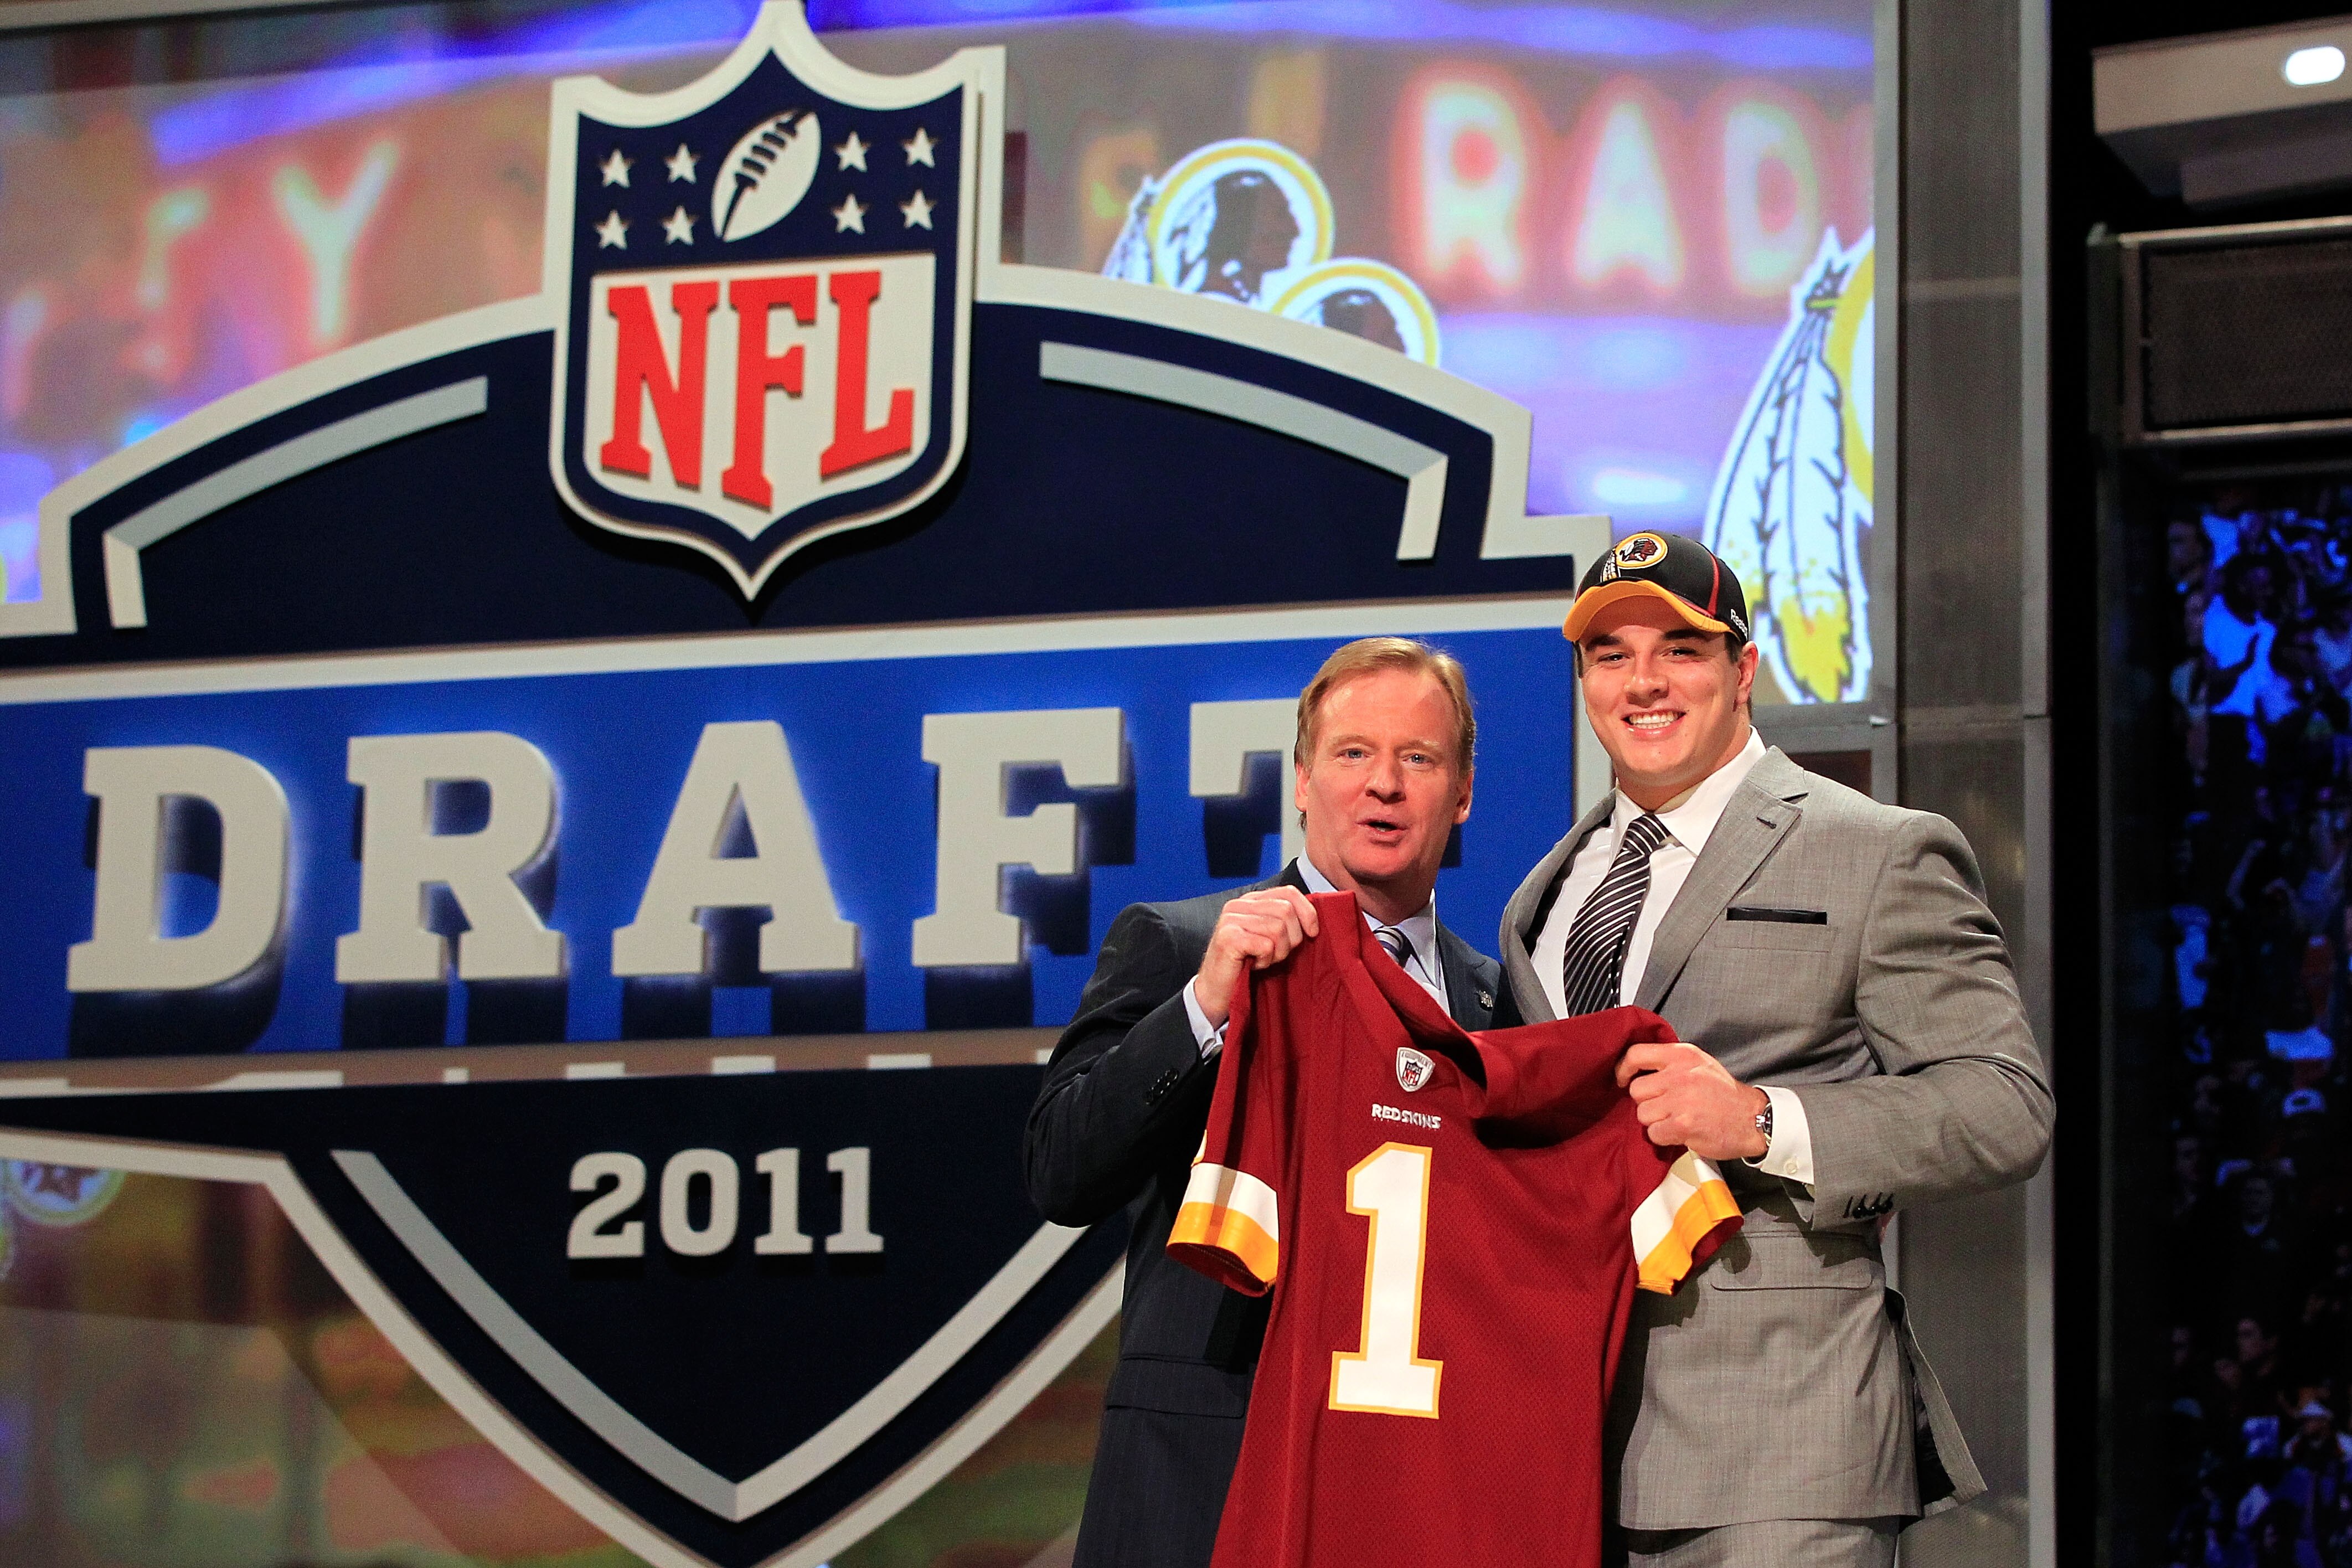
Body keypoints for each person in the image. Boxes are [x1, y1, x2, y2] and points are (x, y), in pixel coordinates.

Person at [1495, 531, 2053, 1566]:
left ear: (1743, 670)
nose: (1644, 681)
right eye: (1609, 654)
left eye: (1681, 647)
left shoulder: (1877, 848)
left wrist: (1760, 1121)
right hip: (1575, 1441)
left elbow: (2004, 1105)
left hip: (1787, 1444)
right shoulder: (1543, 894)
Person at [1024, 637, 1506, 1568]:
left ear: (1463, 793)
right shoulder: (1181, 944)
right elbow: (1060, 1170)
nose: (1385, 785)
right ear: (1301, 780)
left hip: (1406, 1487)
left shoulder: (1493, 1007)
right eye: (1353, 753)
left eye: (1419, 758)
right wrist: (1206, 1006)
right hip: (1205, 1480)